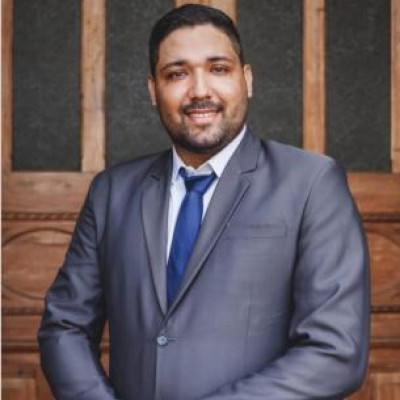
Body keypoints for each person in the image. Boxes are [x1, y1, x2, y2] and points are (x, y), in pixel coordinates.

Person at [38, 4, 370, 400]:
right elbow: (65, 326)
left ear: (247, 79)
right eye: (177, 74)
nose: (199, 90)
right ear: (153, 89)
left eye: (218, 69)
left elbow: (335, 352)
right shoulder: (112, 191)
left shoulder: (312, 183)